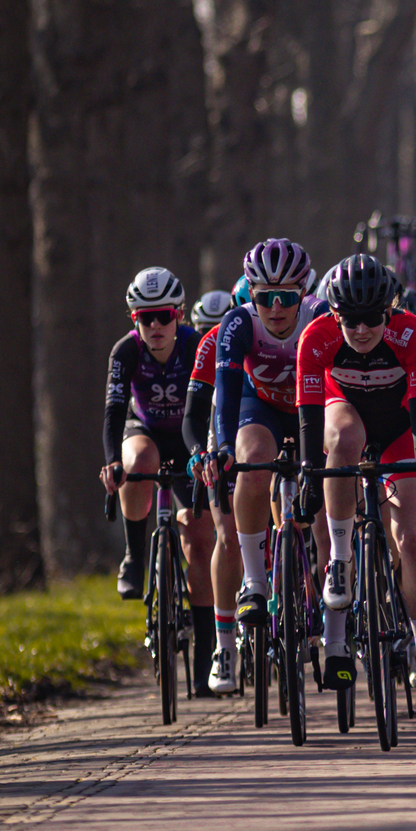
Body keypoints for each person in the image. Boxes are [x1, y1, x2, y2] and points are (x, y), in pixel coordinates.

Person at [296, 252, 416, 713]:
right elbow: (307, 420)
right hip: (349, 416)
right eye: (350, 320)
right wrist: (308, 473)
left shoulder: (410, 332)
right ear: (333, 314)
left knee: (412, 538)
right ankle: (342, 559)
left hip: (401, 427)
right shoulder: (316, 337)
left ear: (389, 312)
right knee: (340, 437)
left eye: (371, 319)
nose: (361, 331)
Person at [101, 266, 218, 690]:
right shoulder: (125, 352)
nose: (155, 326)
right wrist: (112, 461)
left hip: (190, 443)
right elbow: (114, 413)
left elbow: (214, 407)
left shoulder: (196, 345)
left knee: (201, 545)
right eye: (145, 318)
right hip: (146, 432)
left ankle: (206, 661)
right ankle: (134, 556)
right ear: (135, 320)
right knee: (138, 463)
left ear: (180, 315)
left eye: (164, 316)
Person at [211, 236, 318, 684]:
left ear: (302, 293)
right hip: (262, 408)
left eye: (286, 297)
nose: (275, 308)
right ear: (250, 295)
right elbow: (225, 395)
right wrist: (221, 448)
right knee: (250, 460)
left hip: (312, 407)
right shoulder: (238, 324)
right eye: (264, 298)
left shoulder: (319, 317)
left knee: (332, 477)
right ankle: (254, 583)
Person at [184, 288, 242, 692]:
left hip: (271, 432)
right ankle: (224, 647)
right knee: (226, 535)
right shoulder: (210, 343)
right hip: (219, 437)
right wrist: (199, 452)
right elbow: (195, 412)